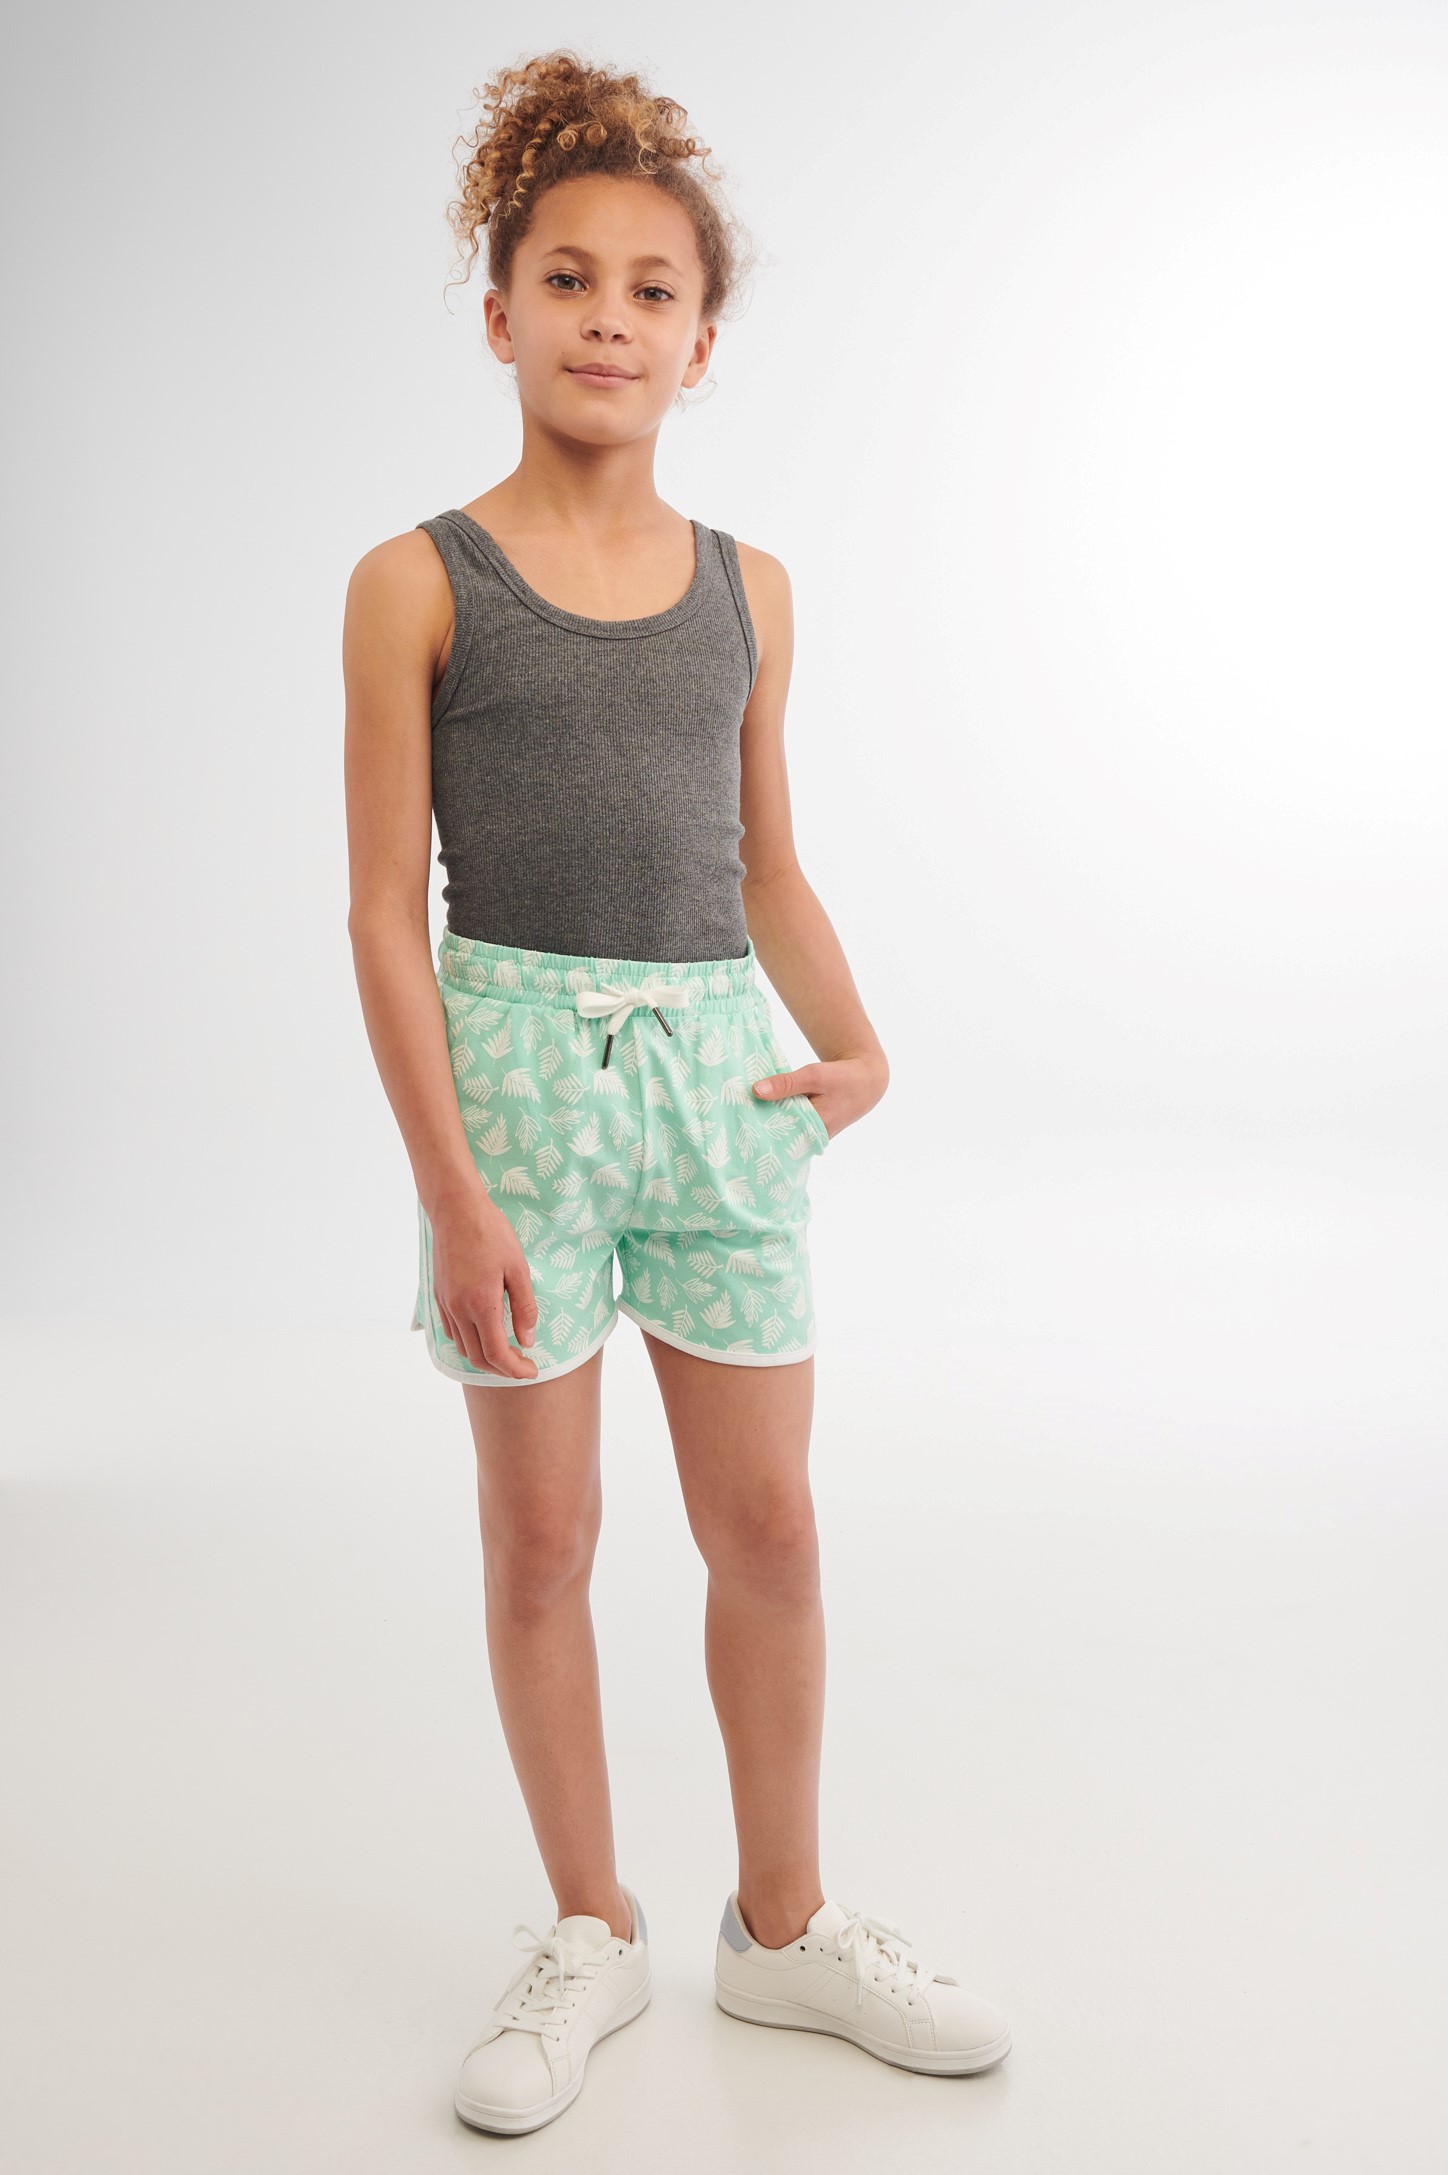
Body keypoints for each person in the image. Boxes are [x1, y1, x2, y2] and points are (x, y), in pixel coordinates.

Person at [343, 47, 1011, 2137]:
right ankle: (588, 1925)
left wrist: (861, 1038)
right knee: (544, 1536)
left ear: (701, 342)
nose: (607, 319)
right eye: (567, 279)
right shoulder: (415, 581)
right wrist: (453, 1189)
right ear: (499, 312)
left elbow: (761, 864)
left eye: (651, 290)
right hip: (516, 1097)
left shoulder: (750, 587)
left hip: (721, 1087)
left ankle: (782, 1925)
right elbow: (379, 913)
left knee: (771, 1526)